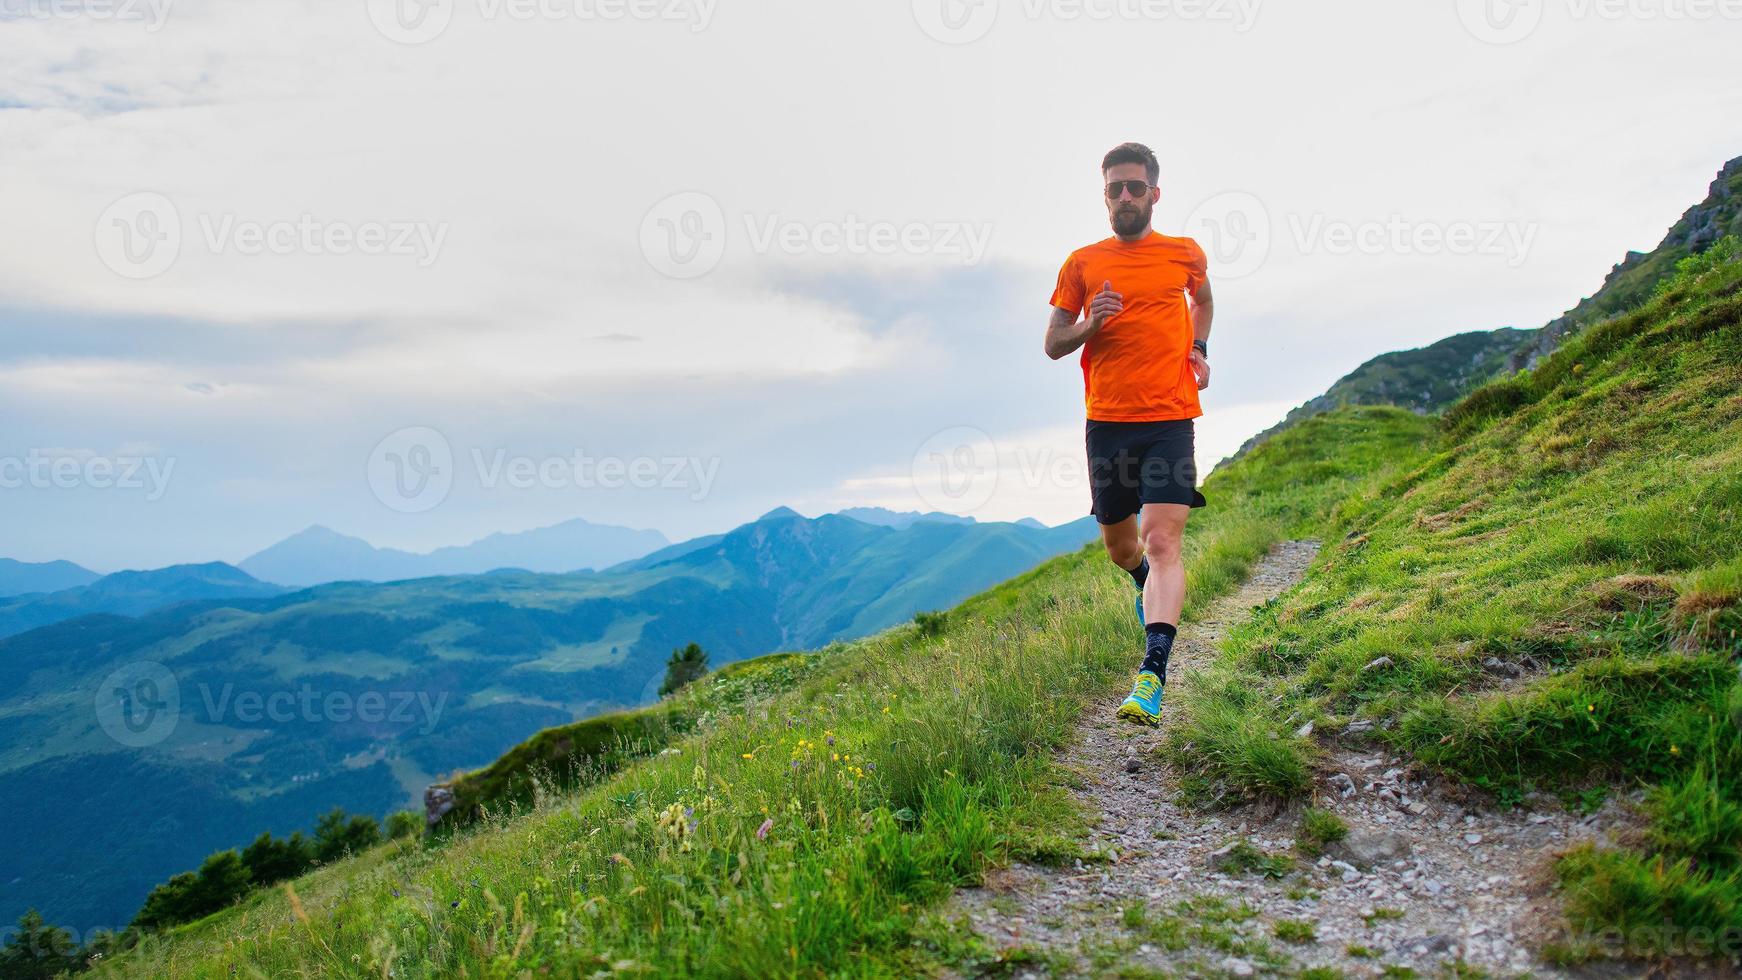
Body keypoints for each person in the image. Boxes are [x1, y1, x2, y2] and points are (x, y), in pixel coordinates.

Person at [1043, 141, 1213, 726]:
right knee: (1124, 549)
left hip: (1169, 418)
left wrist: (1198, 347)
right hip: (1108, 425)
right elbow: (1053, 344)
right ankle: (1146, 587)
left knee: (1164, 543)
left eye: (1134, 187)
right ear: (1105, 195)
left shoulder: (1184, 253)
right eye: (1114, 188)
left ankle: (1152, 674)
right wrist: (1093, 323)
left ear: (1154, 194)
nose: (1123, 197)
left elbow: (1204, 301)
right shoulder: (1082, 264)